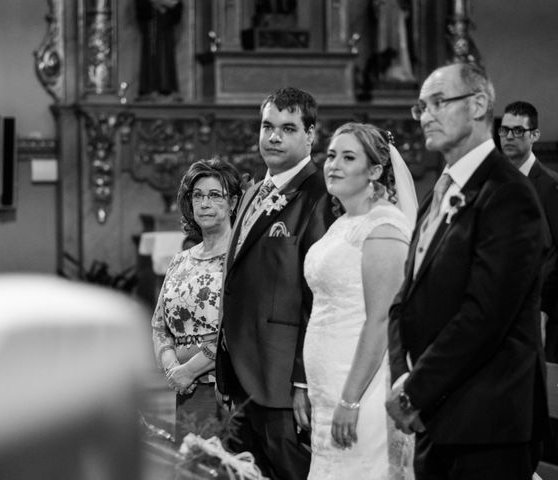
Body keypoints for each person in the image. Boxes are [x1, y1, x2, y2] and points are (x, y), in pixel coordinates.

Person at [386, 62, 549, 480]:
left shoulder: (509, 194)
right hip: (435, 417)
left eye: (439, 102)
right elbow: (405, 298)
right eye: (421, 106)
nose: (426, 115)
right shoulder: (441, 192)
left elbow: (485, 315)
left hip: (486, 424)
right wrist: (402, 377)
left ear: (479, 105)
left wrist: (414, 390)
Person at [215, 87, 335, 480]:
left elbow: (319, 295)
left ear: (310, 135)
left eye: (287, 128)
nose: (274, 137)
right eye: (267, 126)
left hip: (283, 383)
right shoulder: (253, 192)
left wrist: (304, 379)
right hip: (241, 377)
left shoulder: (320, 197)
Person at [303, 123, 417, 480]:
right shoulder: (344, 222)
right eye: (331, 155)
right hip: (329, 387)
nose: (333, 164)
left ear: (375, 170)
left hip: (361, 388)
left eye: (348, 157)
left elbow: (380, 321)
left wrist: (350, 399)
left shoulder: (383, 228)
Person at [151, 158, 242, 443]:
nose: (204, 203)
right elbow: (159, 325)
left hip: (224, 387)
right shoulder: (180, 260)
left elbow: (238, 329)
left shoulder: (241, 257)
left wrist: (190, 370)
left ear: (234, 203)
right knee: (193, 469)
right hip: (185, 389)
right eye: (198, 195)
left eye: (215, 195)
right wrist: (172, 370)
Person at [500, 100, 558, 466]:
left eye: (517, 131)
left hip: (540, 307)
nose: (508, 137)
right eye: (503, 130)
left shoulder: (549, 186)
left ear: (534, 135)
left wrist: (544, 307)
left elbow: (556, 251)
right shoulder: (495, 181)